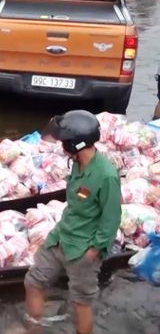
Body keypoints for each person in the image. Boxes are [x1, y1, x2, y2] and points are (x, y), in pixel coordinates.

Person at [24, 110, 122, 334]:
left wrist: (94, 250)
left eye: (64, 142)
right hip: (61, 237)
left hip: (83, 248)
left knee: (80, 302)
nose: (61, 146)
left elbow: (111, 217)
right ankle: (32, 329)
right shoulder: (77, 163)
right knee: (33, 281)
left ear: (76, 144)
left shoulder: (106, 175)